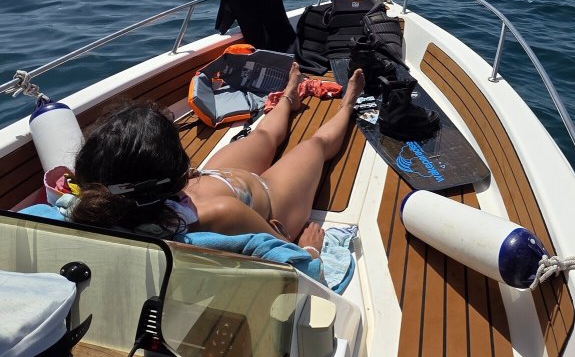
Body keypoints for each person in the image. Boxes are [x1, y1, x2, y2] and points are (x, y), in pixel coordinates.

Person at [69, 62, 365, 262]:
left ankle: (289, 98)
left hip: (216, 178)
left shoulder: (114, 205)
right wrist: (310, 247)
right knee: (315, 145)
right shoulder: (222, 213)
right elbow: (284, 251)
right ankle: (348, 106)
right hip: (264, 197)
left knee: (265, 133)